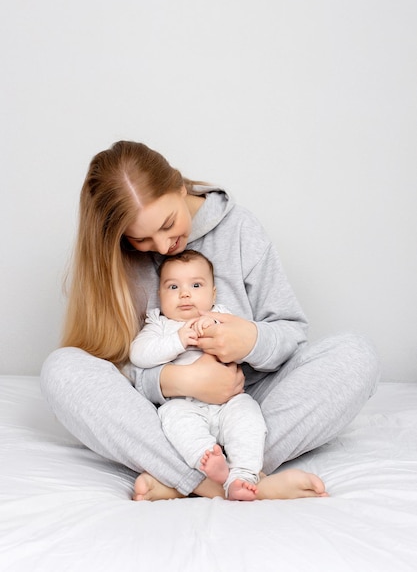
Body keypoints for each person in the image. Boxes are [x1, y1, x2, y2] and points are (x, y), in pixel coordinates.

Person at [40, 140, 380, 502]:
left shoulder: (240, 229)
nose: (162, 244)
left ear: (179, 186)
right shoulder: (118, 259)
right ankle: (228, 481)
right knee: (62, 368)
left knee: (356, 354)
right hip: (167, 417)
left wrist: (251, 341)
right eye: (141, 239)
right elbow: (113, 363)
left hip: (247, 399)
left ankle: (191, 476)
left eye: (168, 224)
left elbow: (290, 331)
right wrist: (173, 379)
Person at [130, 249, 267, 501]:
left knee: (248, 416)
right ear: (160, 296)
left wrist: (216, 330)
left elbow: (242, 349)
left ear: (213, 293)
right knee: (172, 419)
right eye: (173, 287)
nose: (184, 293)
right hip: (184, 404)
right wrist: (178, 341)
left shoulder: (222, 316)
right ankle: (207, 459)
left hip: (228, 403)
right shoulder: (160, 325)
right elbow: (139, 355)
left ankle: (243, 476)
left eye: (196, 285)